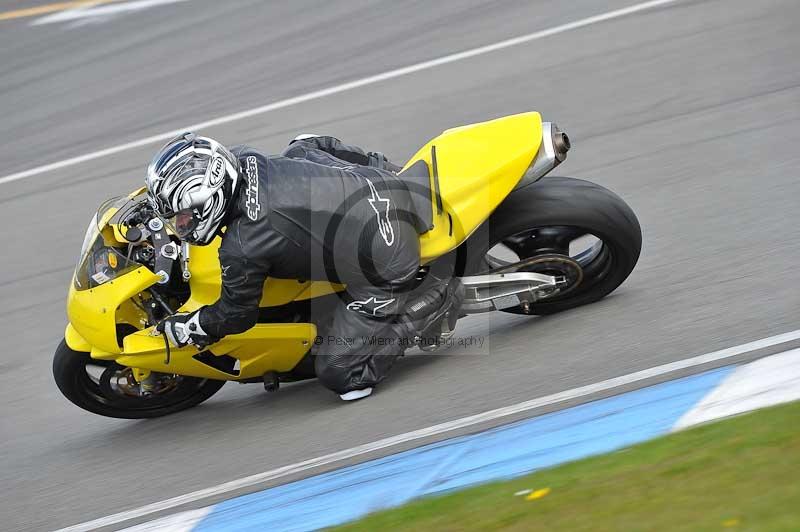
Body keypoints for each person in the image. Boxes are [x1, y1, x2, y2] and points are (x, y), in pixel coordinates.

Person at [146, 132, 463, 401]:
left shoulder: (243, 246)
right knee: (302, 145)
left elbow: (237, 315)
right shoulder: (245, 159)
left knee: (341, 374)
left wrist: (190, 326)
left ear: (211, 200)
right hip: (374, 185)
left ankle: (435, 299)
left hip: (388, 253)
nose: (180, 225)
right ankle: (385, 166)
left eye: (184, 216)